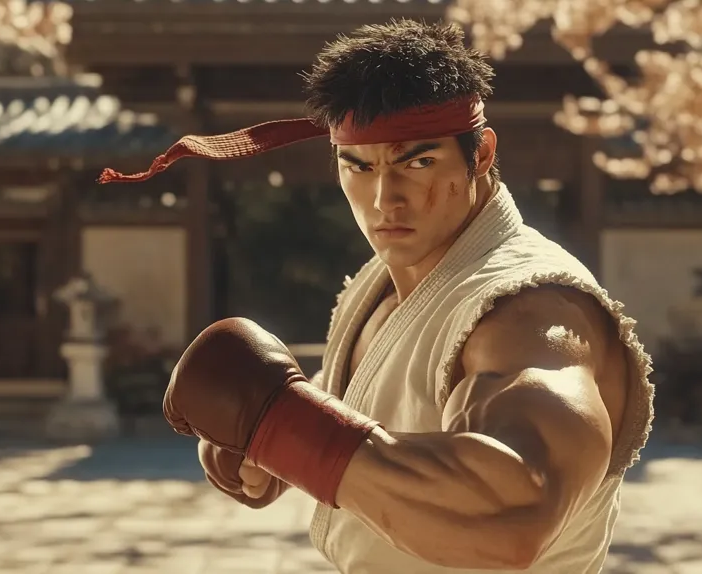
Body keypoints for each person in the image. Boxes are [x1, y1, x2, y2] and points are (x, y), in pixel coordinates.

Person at [101, 19, 653, 574]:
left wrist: (284, 425)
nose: (386, 199)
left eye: (418, 162)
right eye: (359, 167)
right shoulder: (384, 280)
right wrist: (267, 444)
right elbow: (385, 404)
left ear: (481, 153)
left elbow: (514, 508)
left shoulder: (533, 310)